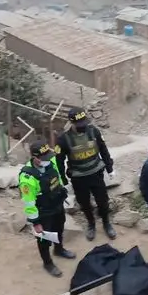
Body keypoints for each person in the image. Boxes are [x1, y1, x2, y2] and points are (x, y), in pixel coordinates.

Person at [56, 107, 117, 241]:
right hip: (78, 178)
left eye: (83, 123)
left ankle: (106, 223)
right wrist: (64, 182)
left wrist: (110, 168)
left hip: (96, 173)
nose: (82, 127)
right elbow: (59, 162)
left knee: (103, 201)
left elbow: (103, 150)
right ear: (71, 123)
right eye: (79, 125)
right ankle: (91, 223)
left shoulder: (94, 131)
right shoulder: (63, 139)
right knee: (84, 203)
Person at [19, 140, 76, 277]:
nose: (48, 160)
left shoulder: (51, 161)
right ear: (35, 158)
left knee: (59, 228)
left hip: (57, 204)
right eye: (43, 158)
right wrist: (36, 222)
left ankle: (59, 249)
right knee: (43, 239)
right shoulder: (27, 177)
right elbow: (29, 203)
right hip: (43, 211)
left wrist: (64, 193)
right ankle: (48, 263)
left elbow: (57, 179)